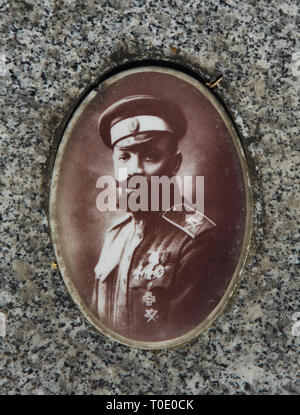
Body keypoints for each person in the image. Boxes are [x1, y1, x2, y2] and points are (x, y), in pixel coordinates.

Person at [92, 95, 219, 342]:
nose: (134, 171)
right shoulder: (114, 235)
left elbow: (187, 341)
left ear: (174, 164)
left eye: (150, 156)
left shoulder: (198, 240)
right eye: (124, 157)